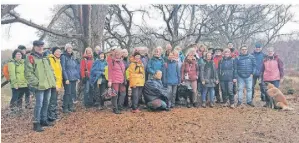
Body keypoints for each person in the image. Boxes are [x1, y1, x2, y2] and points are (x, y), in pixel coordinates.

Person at [25, 40, 56, 132]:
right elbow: (28, 73)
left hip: (48, 85)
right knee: (39, 104)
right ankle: (36, 123)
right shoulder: (30, 57)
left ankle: (43, 120)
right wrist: (37, 83)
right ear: (34, 47)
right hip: (39, 86)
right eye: (38, 46)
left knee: (46, 103)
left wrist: (53, 79)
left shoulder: (45, 57)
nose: (40, 47)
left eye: (41, 46)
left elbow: (50, 70)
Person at [60, 44, 80, 113]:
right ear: (66, 49)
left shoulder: (72, 57)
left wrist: (77, 77)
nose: (70, 49)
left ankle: (70, 106)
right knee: (67, 93)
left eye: (71, 48)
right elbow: (63, 68)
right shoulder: (63, 57)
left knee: (72, 93)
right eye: (68, 48)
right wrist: (66, 78)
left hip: (73, 77)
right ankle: (65, 107)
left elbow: (75, 68)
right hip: (67, 78)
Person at [107, 48, 127, 114]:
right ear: (115, 54)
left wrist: (124, 79)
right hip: (114, 80)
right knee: (115, 95)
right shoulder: (111, 61)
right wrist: (110, 81)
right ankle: (115, 108)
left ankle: (120, 106)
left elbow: (123, 71)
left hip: (121, 80)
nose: (118, 54)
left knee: (123, 93)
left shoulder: (121, 61)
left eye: (119, 53)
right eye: (117, 53)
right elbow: (109, 71)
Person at [47, 47, 63, 122]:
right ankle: (51, 117)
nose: (58, 53)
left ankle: (54, 115)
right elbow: (52, 73)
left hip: (58, 84)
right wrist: (55, 84)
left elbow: (59, 73)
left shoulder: (58, 60)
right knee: (52, 101)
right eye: (56, 51)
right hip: (53, 84)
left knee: (55, 100)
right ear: (53, 52)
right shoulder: (51, 59)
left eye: (59, 52)